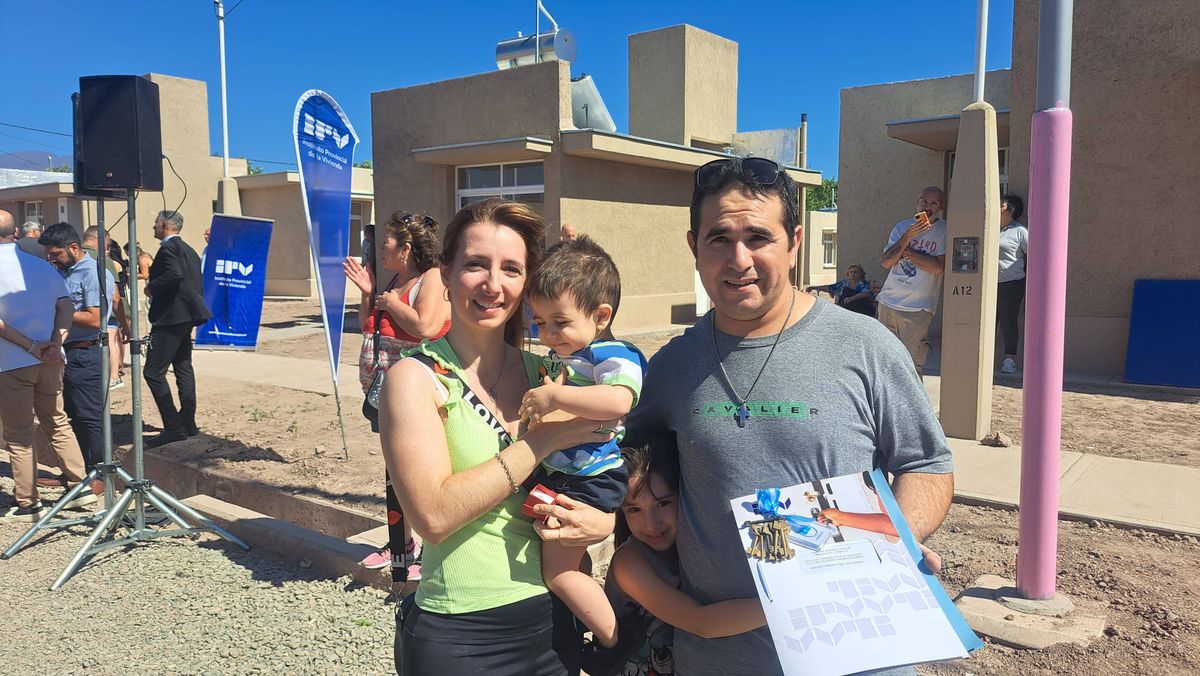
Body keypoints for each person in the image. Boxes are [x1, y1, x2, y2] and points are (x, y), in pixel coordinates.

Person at [624, 157, 954, 675]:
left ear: (794, 242)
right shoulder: (670, 368)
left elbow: (927, 464)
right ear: (694, 247)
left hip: (859, 648)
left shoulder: (866, 345)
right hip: (721, 657)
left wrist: (892, 544)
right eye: (718, 238)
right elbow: (630, 473)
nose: (739, 259)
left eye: (758, 236)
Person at [378, 197, 616, 675]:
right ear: (445, 274)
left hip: (555, 616)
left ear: (528, 283)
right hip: (461, 634)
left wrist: (603, 524)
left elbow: (608, 459)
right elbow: (434, 516)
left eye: (511, 268)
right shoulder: (416, 378)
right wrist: (541, 442)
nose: (493, 284)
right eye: (475, 265)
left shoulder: (552, 373)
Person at [519, 235, 647, 648]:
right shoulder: (570, 354)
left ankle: (614, 641)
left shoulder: (612, 354)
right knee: (567, 562)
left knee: (558, 572)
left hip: (590, 478)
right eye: (540, 322)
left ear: (601, 315)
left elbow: (618, 399)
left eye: (559, 322)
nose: (548, 333)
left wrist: (555, 396)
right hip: (570, 474)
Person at [583, 445, 767, 676]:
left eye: (663, 503)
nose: (651, 524)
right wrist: (782, 605)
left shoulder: (694, 548)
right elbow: (702, 623)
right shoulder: (629, 564)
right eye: (634, 509)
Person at [343, 211, 450, 585]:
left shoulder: (431, 279)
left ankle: (422, 545)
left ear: (405, 249)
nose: (378, 248)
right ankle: (400, 545)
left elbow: (427, 326)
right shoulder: (394, 280)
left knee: (414, 468)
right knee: (393, 470)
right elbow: (367, 322)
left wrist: (391, 302)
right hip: (384, 392)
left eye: (386, 241)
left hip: (414, 394)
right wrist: (369, 293)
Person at [0, 211, 94, 521]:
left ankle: (28, 502)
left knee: (18, 434)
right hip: (52, 359)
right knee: (58, 421)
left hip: (11, 362)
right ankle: (80, 485)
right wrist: (56, 340)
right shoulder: (42, 267)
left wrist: (29, 345)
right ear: (16, 234)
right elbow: (65, 305)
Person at [38, 222, 114, 476]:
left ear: (73, 247)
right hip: (65, 354)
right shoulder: (61, 272)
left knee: (91, 417)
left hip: (86, 353)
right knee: (73, 415)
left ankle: (100, 474)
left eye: (56, 254)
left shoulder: (94, 273)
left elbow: (95, 318)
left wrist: (59, 309)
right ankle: (80, 474)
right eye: (49, 255)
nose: (52, 260)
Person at [143, 211, 211, 448]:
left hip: (170, 318)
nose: (153, 227)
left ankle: (174, 427)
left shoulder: (169, 248)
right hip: (185, 317)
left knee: (152, 372)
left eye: (155, 224)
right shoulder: (190, 250)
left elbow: (175, 274)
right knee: (183, 367)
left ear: (163, 225)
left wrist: (152, 287)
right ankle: (188, 422)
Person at [875, 186, 948, 375]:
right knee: (884, 363)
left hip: (918, 308)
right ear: (917, 203)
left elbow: (938, 267)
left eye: (934, 203)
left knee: (911, 367)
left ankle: (912, 405)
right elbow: (886, 262)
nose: (927, 206)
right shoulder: (902, 227)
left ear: (940, 207)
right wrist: (908, 236)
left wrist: (906, 251)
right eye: (924, 201)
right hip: (888, 303)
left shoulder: (944, 230)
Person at [82, 226, 128, 389]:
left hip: (78, 321)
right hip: (104, 314)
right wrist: (126, 323)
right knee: (110, 343)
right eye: (107, 244)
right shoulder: (104, 261)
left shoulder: (73, 256)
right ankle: (114, 377)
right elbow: (115, 297)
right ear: (99, 240)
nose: (107, 248)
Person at [996, 193, 1029, 374]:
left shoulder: (1019, 231)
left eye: (1001, 204)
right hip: (989, 283)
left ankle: (1009, 359)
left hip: (1011, 282)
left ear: (1011, 210)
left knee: (1008, 320)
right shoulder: (990, 227)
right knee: (988, 321)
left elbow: (1031, 254)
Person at [804, 264, 874, 315]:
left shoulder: (864, 283)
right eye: (851, 272)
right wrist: (814, 287)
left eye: (855, 272)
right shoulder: (844, 283)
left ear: (861, 274)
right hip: (845, 308)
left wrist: (851, 298)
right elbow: (831, 287)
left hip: (861, 310)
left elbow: (866, 293)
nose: (853, 274)